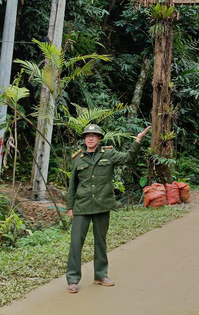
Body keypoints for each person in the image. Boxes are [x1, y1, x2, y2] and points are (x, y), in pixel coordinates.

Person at [65, 123, 151, 293]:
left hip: (102, 205)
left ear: (99, 139)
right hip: (81, 206)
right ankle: (73, 279)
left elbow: (128, 158)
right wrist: (70, 206)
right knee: (76, 244)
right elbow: (72, 185)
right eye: (87, 136)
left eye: (94, 136)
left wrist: (138, 141)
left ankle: (100, 275)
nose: (90, 138)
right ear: (84, 139)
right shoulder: (77, 158)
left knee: (100, 242)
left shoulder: (109, 154)